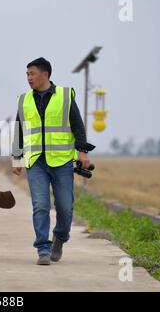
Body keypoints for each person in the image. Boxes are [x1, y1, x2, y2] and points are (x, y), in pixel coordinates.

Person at [12, 57, 95, 265]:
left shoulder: (65, 96)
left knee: (65, 208)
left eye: (32, 73)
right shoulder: (24, 100)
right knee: (40, 205)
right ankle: (43, 248)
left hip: (61, 161)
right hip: (36, 161)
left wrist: (82, 151)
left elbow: (77, 124)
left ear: (45, 75)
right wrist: (16, 158)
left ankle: (59, 237)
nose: (29, 78)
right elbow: (19, 129)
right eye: (27, 74)